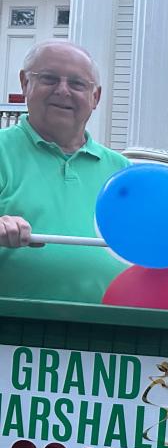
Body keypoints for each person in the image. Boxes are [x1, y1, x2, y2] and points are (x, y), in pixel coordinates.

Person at [0, 39, 129, 303]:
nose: (62, 90)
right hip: (13, 335)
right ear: (25, 83)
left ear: (96, 97)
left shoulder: (122, 173)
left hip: (108, 337)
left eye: (77, 84)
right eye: (49, 78)